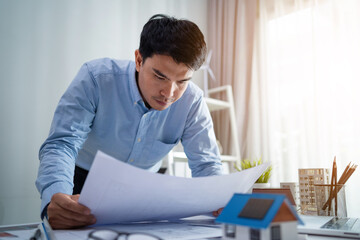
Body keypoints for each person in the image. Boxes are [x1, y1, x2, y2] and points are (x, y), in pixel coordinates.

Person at [36, 14, 223, 229]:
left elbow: (207, 164)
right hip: (81, 182)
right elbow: (62, 144)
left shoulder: (192, 101)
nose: (169, 93)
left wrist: (220, 200)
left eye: (182, 81)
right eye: (160, 77)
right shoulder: (96, 78)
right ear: (139, 60)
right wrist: (55, 197)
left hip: (144, 189)